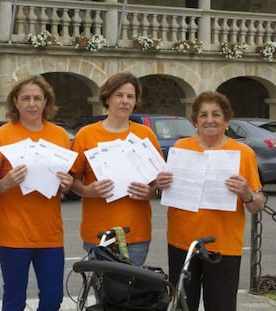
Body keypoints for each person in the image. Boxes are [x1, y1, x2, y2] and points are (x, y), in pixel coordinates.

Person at [156, 90, 266, 311]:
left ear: (226, 120)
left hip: (224, 246)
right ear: (195, 121)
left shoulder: (243, 153)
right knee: (182, 307)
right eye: (203, 115)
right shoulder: (181, 148)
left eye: (216, 114)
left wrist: (247, 193)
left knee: (222, 306)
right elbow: (166, 190)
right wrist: (161, 184)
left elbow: (258, 204)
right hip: (182, 244)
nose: (209, 120)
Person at [0, 75, 73, 311]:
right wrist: (5, 183)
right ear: (15, 101)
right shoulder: (0, 136)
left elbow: (65, 181)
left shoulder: (60, 136)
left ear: (46, 102)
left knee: (53, 298)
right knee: (14, 299)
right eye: (25, 98)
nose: (32, 104)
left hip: (50, 234)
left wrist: (67, 183)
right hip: (13, 233)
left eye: (37, 98)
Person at [69, 72, 162, 266]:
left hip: (136, 233)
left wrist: (151, 192)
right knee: (103, 295)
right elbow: (72, 180)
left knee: (132, 295)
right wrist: (87, 191)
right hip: (98, 234)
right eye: (119, 95)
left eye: (130, 96)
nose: (125, 101)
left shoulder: (145, 135)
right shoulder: (86, 135)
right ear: (107, 98)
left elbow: (159, 182)